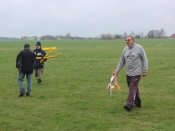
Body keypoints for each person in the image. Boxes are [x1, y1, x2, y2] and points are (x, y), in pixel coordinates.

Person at [114, 36, 148, 111]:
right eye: (126, 40)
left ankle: (129, 104)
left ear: (133, 40)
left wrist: (145, 70)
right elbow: (122, 61)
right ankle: (138, 103)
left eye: (128, 40)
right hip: (128, 73)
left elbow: (144, 59)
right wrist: (117, 71)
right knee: (133, 88)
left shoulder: (139, 48)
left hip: (137, 73)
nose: (127, 41)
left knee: (132, 88)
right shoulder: (125, 49)